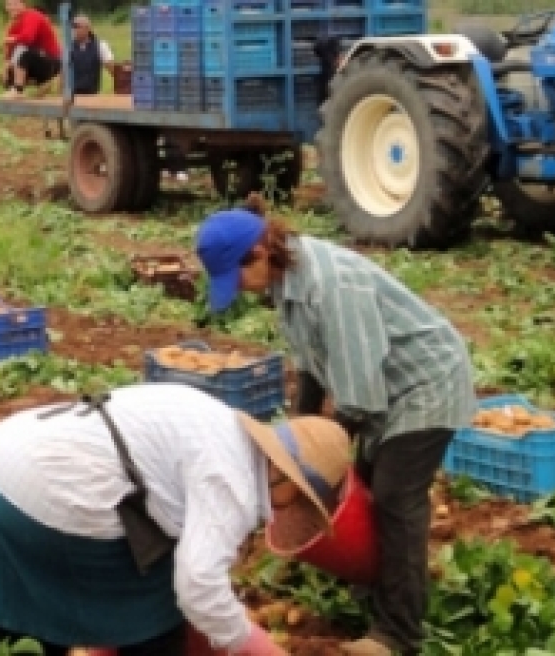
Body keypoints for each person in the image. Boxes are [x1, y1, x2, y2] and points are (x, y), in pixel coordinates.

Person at [193, 195, 478, 656]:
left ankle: (399, 634)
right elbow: (310, 373)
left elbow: (359, 395)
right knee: (360, 488)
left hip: (425, 382)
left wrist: (317, 458)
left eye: (238, 277)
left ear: (261, 253)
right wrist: (294, 444)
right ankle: (378, 591)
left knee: (394, 497)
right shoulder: (287, 287)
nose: (241, 289)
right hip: (384, 389)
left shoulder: (333, 287)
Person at [0, 382, 353, 656]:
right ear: (288, 481)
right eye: (294, 503)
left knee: (21, 636)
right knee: (159, 611)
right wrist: (252, 645)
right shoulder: (233, 483)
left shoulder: (215, 419)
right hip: (47, 496)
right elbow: (197, 588)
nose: (282, 512)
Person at [0, 0, 63, 99]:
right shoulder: (14, 24)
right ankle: (40, 84)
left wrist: (10, 39)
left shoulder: (32, 16)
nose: (11, 8)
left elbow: (27, 39)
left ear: (23, 4)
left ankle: (18, 90)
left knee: (23, 51)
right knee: (6, 75)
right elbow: (8, 48)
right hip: (34, 61)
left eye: (15, 4)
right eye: (8, 5)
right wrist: (5, 66)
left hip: (51, 61)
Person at [69, 14, 115, 96]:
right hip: (72, 97)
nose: (74, 30)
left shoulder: (101, 46)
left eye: (77, 26)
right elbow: (63, 74)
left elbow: (113, 71)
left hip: (92, 96)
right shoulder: (68, 47)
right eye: (73, 27)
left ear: (88, 28)